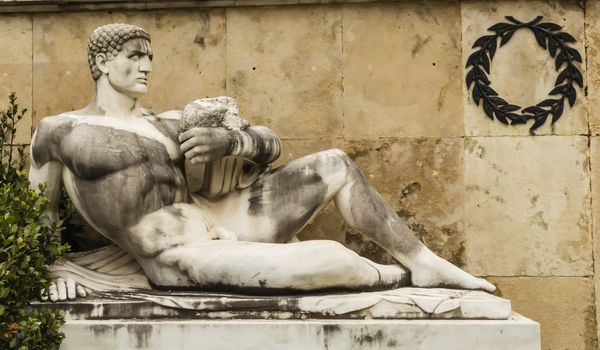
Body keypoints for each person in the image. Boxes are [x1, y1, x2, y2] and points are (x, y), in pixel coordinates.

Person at [30, 23, 494, 300]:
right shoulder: (61, 131)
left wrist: (230, 142)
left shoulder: (168, 122)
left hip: (219, 218)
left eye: (149, 57)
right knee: (329, 258)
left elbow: (270, 143)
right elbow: (39, 217)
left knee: (334, 162)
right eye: (136, 57)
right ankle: (390, 277)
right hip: (176, 252)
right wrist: (51, 272)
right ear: (104, 64)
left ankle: (424, 262)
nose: (147, 66)